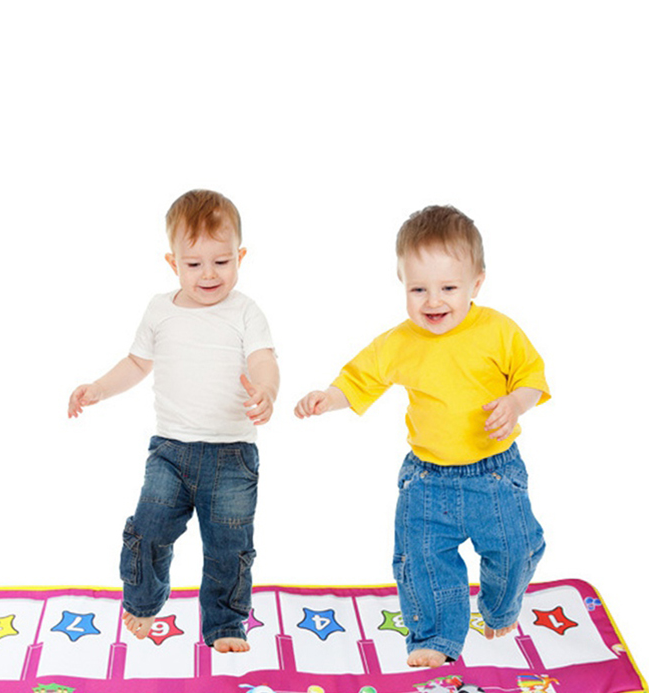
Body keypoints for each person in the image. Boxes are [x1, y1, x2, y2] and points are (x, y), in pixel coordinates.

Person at [294, 205, 549, 667]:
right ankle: (436, 638)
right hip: (428, 480)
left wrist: (515, 403)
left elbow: (531, 376)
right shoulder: (400, 342)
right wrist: (328, 398)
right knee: (423, 561)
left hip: (495, 475)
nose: (433, 301)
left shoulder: (498, 330)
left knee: (516, 550)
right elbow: (361, 377)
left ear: (476, 283)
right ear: (403, 283)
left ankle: (500, 607)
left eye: (448, 288)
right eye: (418, 289)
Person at [69, 190, 279, 652]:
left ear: (240, 257)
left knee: (229, 547)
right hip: (171, 451)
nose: (209, 274)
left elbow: (264, 359)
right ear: (173, 263)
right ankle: (143, 602)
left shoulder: (245, 311)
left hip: (232, 455)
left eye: (222, 262)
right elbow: (136, 363)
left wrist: (267, 390)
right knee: (148, 530)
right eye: (194, 264)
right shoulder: (160, 310)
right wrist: (99, 388)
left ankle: (225, 624)